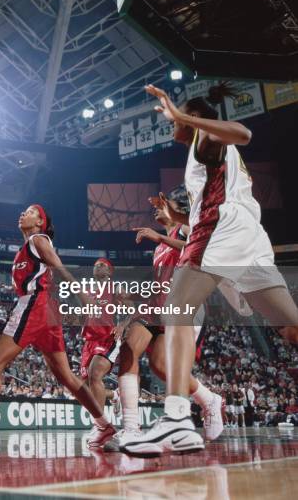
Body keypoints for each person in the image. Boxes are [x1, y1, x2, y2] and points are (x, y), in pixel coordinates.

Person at [122, 83, 298, 455]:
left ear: (194, 118)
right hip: (248, 237)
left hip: (223, 229)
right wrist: (178, 217)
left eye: (177, 117)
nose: (171, 123)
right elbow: (215, 200)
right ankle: (179, 417)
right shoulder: (207, 152)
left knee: (176, 309)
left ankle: (177, 418)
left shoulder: (204, 137)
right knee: (290, 326)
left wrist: (182, 114)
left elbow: (245, 133)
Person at [0, 204, 115, 450]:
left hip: (35, 305)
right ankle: (104, 426)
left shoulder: (37, 240)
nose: (23, 214)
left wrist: (81, 295)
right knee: (67, 377)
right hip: (48, 311)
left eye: (30, 212)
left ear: (40, 222)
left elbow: (58, 266)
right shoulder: (28, 246)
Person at [107, 192, 222, 453]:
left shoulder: (185, 230)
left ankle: (209, 399)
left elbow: (202, 248)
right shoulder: (160, 248)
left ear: (176, 209)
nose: (155, 211)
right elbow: (159, 285)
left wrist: (160, 236)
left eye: (162, 207)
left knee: (161, 366)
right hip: (158, 308)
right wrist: (131, 297)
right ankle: (131, 429)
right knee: (128, 348)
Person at [78, 258, 124, 446]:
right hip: (89, 340)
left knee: (95, 374)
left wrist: (123, 323)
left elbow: (131, 308)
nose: (98, 266)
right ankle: (114, 395)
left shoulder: (115, 287)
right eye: (96, 264)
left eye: (103, 264)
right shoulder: (89, 289)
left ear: (110, 271)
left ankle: (101, 426)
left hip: (108, 337)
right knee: (85, 386)